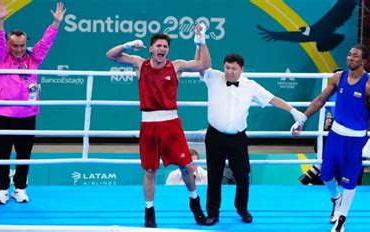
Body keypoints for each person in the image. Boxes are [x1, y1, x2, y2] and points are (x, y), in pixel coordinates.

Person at [106, 23, 211, 227]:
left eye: (165, 46)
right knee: (150, 171)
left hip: (171, 123)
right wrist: (127, 44)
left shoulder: (176, 65)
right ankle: (149, 211)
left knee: (186, 167)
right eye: (159, 46)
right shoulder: (140, 64)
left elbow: (204, 64)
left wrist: (202, 39)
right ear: (151, 48)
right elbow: (111, 55)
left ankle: (195, 203)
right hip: (149, 124)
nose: (162, 49)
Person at [195, 52, 307, 225]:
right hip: (215, 136)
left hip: (238, 138)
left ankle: (242, 208)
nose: (230, 72)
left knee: (242, 176)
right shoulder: (213, 77)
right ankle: (213, 213)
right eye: (227, 67)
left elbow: (272, 99)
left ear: (242, 69)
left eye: (234, 68)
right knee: (214, 176)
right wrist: (199, 41)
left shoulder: (250, 85)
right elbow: (200, 64)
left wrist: (293, 111)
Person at [291, 44, 370, 232]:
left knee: (349, 180)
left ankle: (342, 219)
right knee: (325, 174)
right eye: (349, 54)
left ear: (364, 61)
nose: (350, 58)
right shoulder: (338, 77)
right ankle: (336, 199)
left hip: (356, 140)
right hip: (335, 135)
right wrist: (302, 118)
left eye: (355, 56)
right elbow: (320, 100)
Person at [0, 0, 66, 205]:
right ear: (9, 44)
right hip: (3, 114)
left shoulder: (33, 59)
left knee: (24, 154)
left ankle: (20, 188)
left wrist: (56, 23)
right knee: (2, 154)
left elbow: (46, 42)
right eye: (14, 45)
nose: (18, 49)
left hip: (27, 114)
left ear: (26, 43)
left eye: (22, 45)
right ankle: (2, 189)